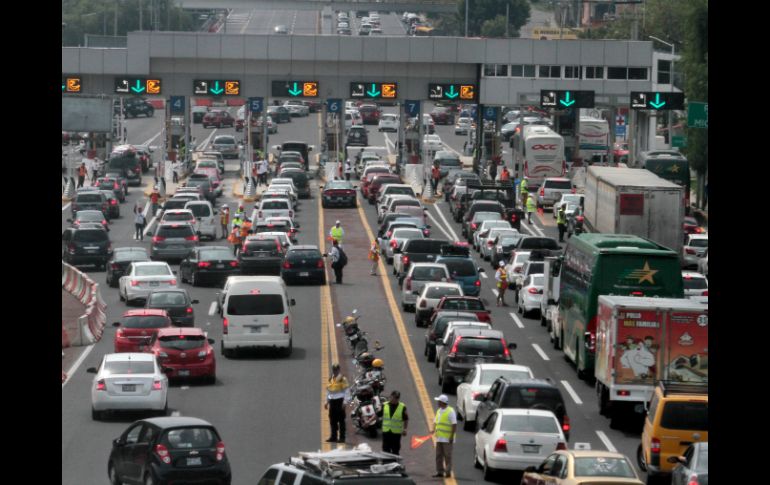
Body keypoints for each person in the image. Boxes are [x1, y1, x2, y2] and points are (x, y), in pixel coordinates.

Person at [431, 394, 457, 478]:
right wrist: (433, 429)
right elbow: (435, 421)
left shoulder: (450, 411)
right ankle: (440, 471)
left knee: (447, 456)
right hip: (439, 438)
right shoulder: (439, 411)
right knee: (438, 455)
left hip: (447, 439)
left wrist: (451, 437)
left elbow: (454, 425)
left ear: (442, 402)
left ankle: (448, 472)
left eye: (439, 401)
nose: (437, 403)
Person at [325, 363, 349, 443]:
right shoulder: (330, 379)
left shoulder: (343, 379)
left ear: (339, 370)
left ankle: (342, 437)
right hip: (332, 401)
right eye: (334, 369)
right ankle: (333, 436)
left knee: (341, 420)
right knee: (332, 420)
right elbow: (328, 391)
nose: (335, 371)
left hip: (340, 401)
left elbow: (347, 391)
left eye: (336, 369)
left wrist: (345, 402)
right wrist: (326, 401)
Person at [380, 390, 408, 455]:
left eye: (396, 398)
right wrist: (368, 422)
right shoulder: (384, 405)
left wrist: (405, 429)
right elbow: (378, 414)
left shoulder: (402, 407)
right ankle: (387, 461)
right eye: (393, 397)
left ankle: (395, 461)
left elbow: (406, 419)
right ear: (390, 396)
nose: (394, 400)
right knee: (385, 450)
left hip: (396, 433)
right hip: (386, 432)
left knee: (395, 450)